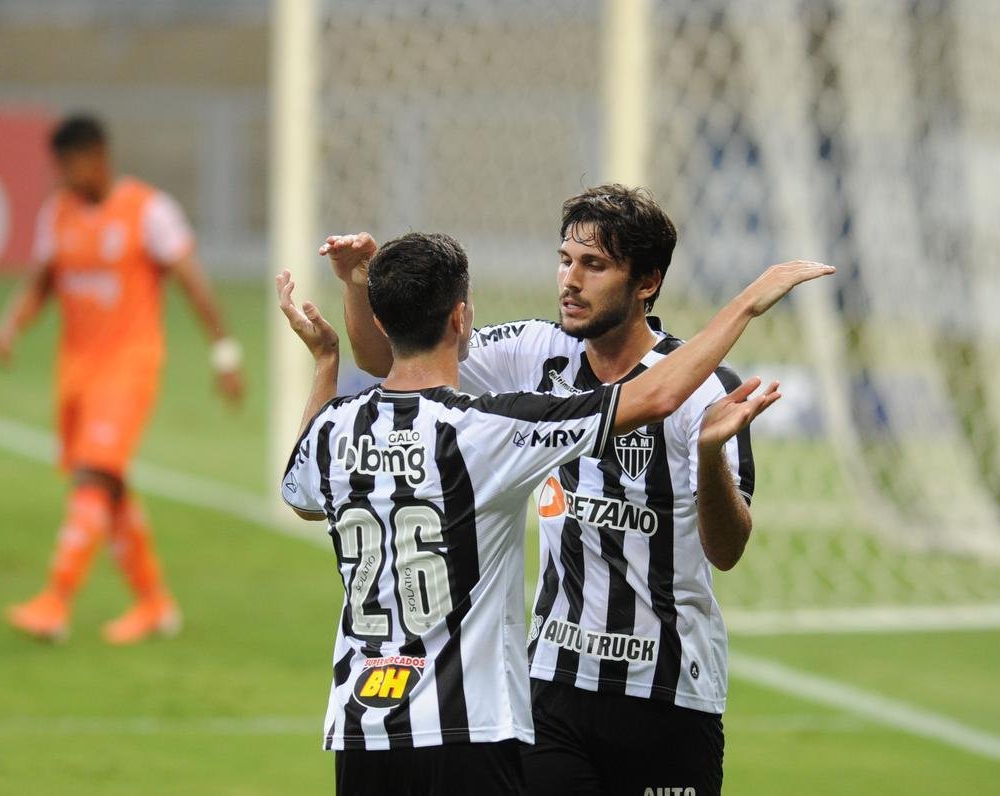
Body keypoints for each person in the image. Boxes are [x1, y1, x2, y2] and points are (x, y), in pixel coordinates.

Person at [278, 230, 831, 794]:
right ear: (460, 318)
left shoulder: (335, 428)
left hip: (361, 726)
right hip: (468, 727)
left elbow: (299, 494)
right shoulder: (489, 429)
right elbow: (655, 398)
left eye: (589, 263)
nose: (569, 278)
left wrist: (327, 358)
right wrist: (747, 303)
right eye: (566, 261)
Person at [0, 114, 245, 644]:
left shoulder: (149, 210)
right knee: (109, 485)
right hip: (76, 372)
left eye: (69, 163)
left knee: (93, 476)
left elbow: (192, 281)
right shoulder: (56, 212)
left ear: (98, 155)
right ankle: (154, 604)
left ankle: (55, 601)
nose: (61, 176)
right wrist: (12, 324)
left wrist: (223, 352)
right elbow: (43, 280)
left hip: (129, 366)